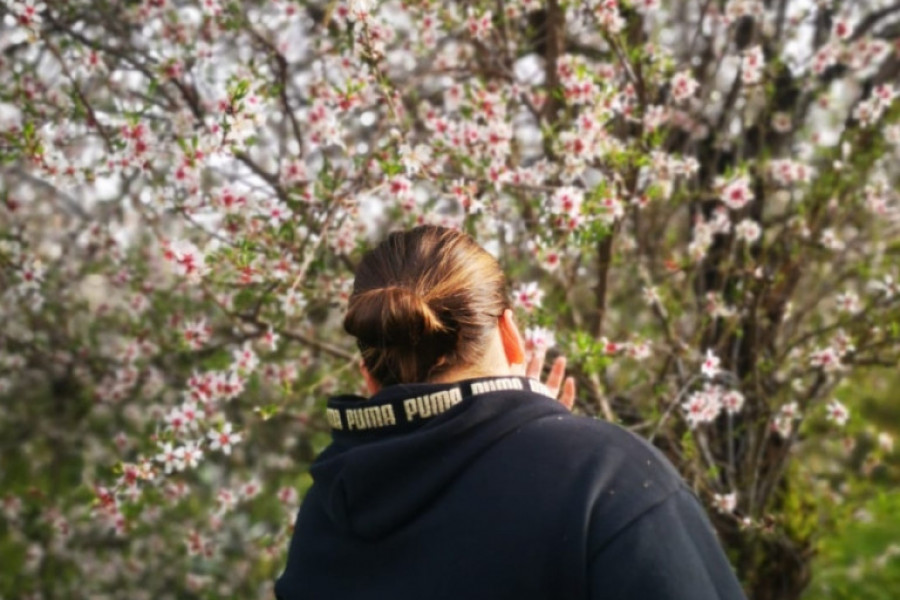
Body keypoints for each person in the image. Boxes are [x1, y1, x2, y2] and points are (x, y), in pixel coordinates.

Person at [275, 225, 747, 599]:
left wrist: (532, 437)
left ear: (369, 377)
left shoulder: (324, 516)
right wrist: (554, 448)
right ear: (510, 335)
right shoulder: (607, 478)